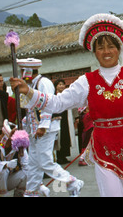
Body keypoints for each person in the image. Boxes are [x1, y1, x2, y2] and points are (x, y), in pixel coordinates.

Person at [11, 13, 123, 197]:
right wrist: (29, 92)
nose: (106, 52)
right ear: (94, 51)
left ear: (119, 49)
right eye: (101, 47)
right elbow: (58, 103)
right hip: (104, 149)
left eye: (111, 46)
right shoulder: (86, 81)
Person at [14, 58, 83, 197]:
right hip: (34, 129)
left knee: (45, 161)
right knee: (33, 162)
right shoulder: (31, 85)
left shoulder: (43, 83)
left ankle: (72, 182)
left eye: (22, 71)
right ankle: (32, 191)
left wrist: (43, 126)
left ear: (28, 71)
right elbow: (30, 110)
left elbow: (48, 105)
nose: (21, 74)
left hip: (46, 128)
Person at [0, 120, 28, 197]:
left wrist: (39, 184)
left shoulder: (19, 147)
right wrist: (6, 165)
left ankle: (19, 195)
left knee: (24, 174)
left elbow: (27, 166)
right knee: (3, 170)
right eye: (1, 134)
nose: (0, 136)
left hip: (7, 181)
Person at [53, 79, 71, 164]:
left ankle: (64, 155)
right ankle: (59, 157)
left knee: (65, 136)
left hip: (66, 117)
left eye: (63, 84)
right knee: (59, 137)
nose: (61, 86)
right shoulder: (54, 96)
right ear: (56, 86)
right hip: (58, 118)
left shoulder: (66, 95)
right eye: (59, 84)